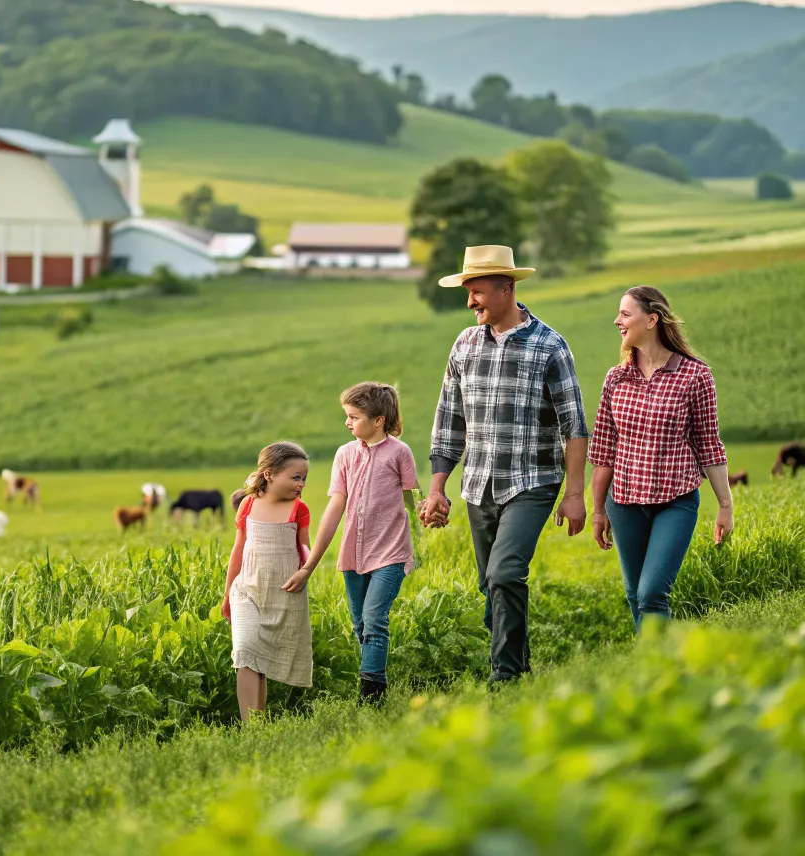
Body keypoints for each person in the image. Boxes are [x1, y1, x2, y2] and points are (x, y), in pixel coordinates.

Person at [420, 245, 589, 686]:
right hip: (479, 484)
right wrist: (437, 488)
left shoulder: (549, 346)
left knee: (505, 573)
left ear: (507, 288)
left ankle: (505, 677)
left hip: (532, 480)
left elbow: (574, 426)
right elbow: (449, 421)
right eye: (468, 293)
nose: (470, 302)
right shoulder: (464, 345)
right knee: (489, 585)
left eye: (477, 292)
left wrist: (574, 495)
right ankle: (519, 666)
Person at [589, 286, 734, 628]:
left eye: (625, 314)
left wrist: (725, 506)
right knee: (634, 594)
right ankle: (653, 670)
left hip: (676, 501)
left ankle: (657, 670)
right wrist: (598, 510)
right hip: (623, 502)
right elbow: (604, 452)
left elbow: (709, 444)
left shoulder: (696, 376)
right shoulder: (616, 378)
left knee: (653, 591)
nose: (617, 321)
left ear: (652, 319)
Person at [283, 382, 420, 703]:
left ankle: (371, 696)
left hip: (391, 553)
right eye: (347, 416)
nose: (347, 422)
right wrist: (310, 564)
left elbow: (411, 502)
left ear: (378, 421)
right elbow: (335, 507)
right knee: (359, 625)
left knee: (374, 620)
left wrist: (418, 544)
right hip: (353, 555)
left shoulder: (400, 453)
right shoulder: (345, 454)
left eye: (354, 416)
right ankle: (373, 682)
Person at [223, 441, 313, 719]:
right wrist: (227, 594)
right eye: (295, 477)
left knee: (259, 659)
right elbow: (238, 550)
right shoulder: (248, 505)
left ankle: (258, 723)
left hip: (281, 592)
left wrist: (306, 570)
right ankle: (249, 726)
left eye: (304, 478)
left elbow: (305, 548)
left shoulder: (299, 509)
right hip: (246, 590)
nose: (301, 484)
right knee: (246, 650)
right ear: (270, 474)